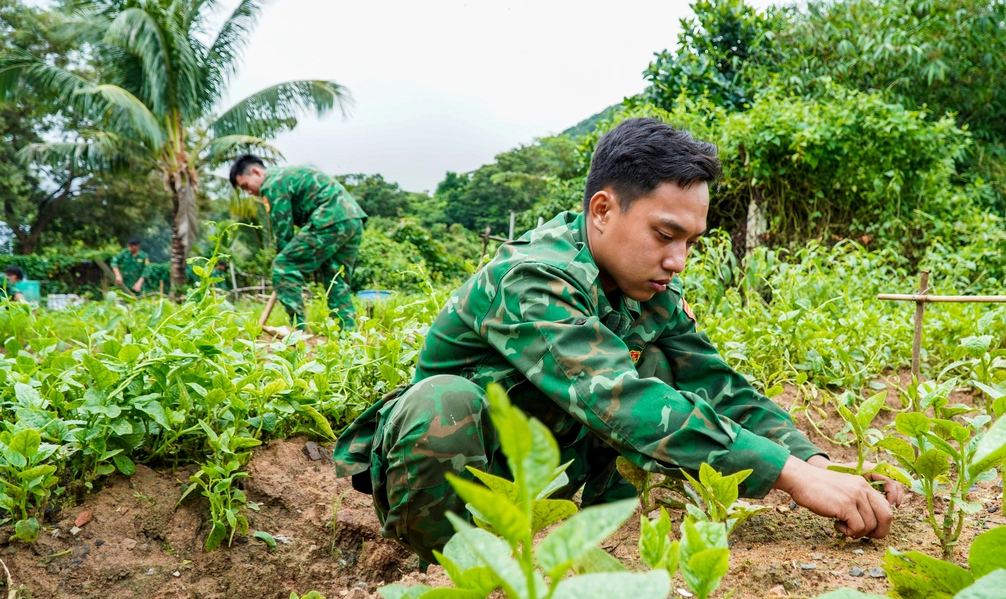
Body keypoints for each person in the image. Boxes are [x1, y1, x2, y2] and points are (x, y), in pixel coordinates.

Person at [333, 118, 903, 564]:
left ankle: (592, 536)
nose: (678, 260)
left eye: (691, 242)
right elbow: (616, 398)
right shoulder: (532, 278)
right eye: (664, 234)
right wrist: (788, 477)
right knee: (440, 403)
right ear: (602, 210)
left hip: (541, 476)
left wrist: (813, 461)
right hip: (469, 476)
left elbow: (716, 383)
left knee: (657, 359)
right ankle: (444, 565)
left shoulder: (646, 286)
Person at [228, 155, 367, 332]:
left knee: (283, 265)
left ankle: (298, 328)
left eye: (246, 186)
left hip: (329, 218)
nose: (248, 192)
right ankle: (347, 336)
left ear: (256, 172)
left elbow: (283, 232)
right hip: (352, 219)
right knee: (336, 279)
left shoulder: (272, 184)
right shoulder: (287, 175)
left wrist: (283, 267)